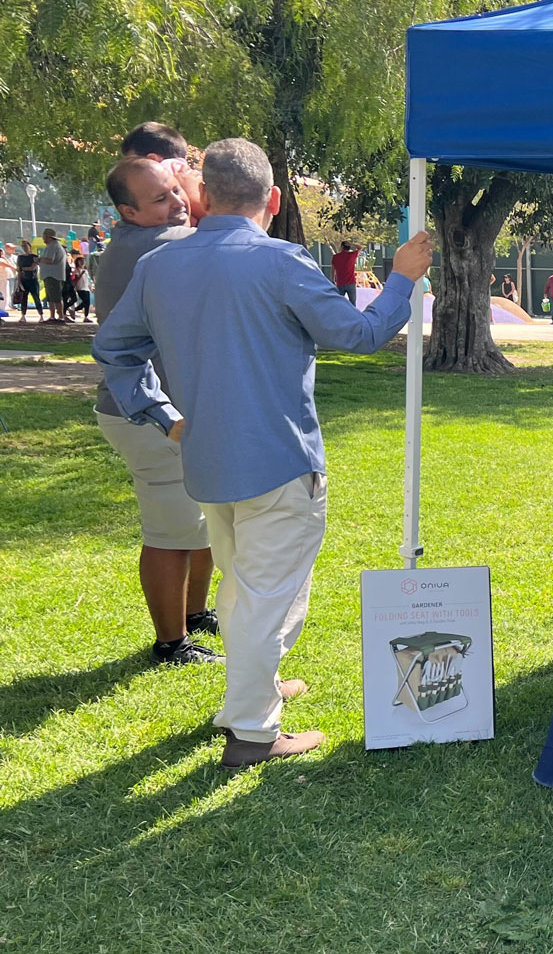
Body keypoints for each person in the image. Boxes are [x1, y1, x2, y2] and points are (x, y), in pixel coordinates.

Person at [93, 138, 434, 767]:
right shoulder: (281, 262)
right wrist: (402, 281)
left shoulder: (160, 266)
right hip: (279, 460)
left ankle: (255, 693)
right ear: (273, 200)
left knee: (244, 590)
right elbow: (359, 334)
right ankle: (251, 732)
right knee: (263, 596)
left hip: (207, 460)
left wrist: (162, 416)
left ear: (203, 196)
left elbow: (114, 352)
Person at [94, 156, 220, 665]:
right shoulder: (157, 243)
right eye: (161, 198)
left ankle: (194, 614)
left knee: (200, 522)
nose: (177, 205)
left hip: (165, 408)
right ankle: (171, 643)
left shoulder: (150, 238)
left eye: (176, 191)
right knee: (170, 532)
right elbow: (224, 236)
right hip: (145, 413)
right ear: (127, 211)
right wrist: (200, 184)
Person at [121, 121, 207, 224]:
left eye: (134, 165)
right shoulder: (196, 178)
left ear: (152, 160)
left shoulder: (178, 175)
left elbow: (218, 217)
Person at [39, 228, 68, 322]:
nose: (43, 238)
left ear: (48, 237)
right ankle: (52, 316)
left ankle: (60, 316)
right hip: (52, 275)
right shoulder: (57, 246)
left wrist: (38, 260)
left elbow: (50, 260)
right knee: (51, 298)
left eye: (44, 236)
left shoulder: (52, 246)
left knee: (56, 297)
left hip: (53, 275)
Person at [15, 239, 44, 321]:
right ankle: (23, 315)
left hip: (33, 279)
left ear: (29, 246)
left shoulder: (34, 257)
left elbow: (32, 268)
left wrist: (22, 268)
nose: (24, 247)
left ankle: (41, 315)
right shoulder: (20, 257)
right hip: (24, 280)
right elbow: (19, 270)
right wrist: (19, 281)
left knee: (36, 297)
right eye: (23, 246)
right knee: (24, 298)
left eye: (26, 245)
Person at [71, 253, 93, 321]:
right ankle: (75, 309)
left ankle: (86, 316)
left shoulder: (85, 270)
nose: (82, 263)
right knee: (85, 301)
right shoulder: (77, 270)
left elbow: (87, 280)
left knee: (87, 303)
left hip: (86, 288)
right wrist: (81, 274)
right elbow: (75, 279)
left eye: (83, 261)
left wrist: (90, 286)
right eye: (81, 261)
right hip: (80, 288)